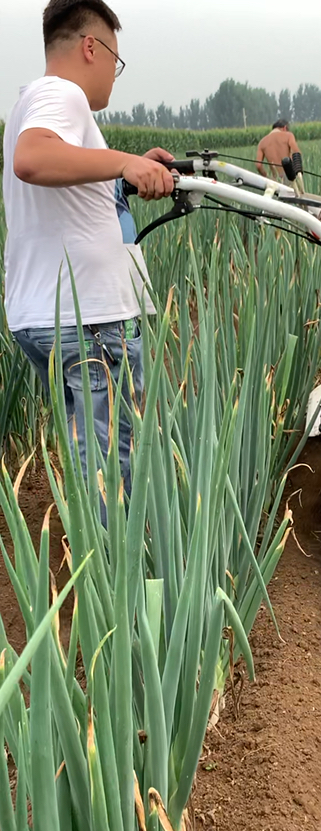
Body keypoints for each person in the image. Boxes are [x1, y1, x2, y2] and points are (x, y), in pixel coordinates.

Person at [2, 0, 175, 495]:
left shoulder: (29, 102)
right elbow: (32, 159)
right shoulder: (62, 95)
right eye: (115, 62)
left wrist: (127, 170)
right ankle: (110, 568)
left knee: (90, 454)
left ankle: (94, 557)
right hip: (88, 321)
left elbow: (66, 189)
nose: (114, 76)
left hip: (43, 316)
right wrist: (122, 163)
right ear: (90, 48)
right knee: (109, 463)